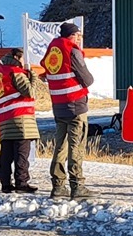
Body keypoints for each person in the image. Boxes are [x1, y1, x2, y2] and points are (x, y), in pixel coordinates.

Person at [41, 19, 96, 200]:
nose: (79, 39)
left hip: (58, 105)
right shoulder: (71, 50)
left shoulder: (53, 50)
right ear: (71, 35)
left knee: (60, 145)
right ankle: (77, 185)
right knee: (76, 144)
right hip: (75, 104)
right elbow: (87, 79)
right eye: (78, 35)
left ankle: (58, 186)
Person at [0, 50, 40, 194]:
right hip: (22, 121)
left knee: (6, 154)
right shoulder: (16, 72)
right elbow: (30, 92)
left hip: (4, 122)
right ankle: (21, 182)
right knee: (22, 153)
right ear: (17, 58)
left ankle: (5, 183)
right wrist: (33, 77)